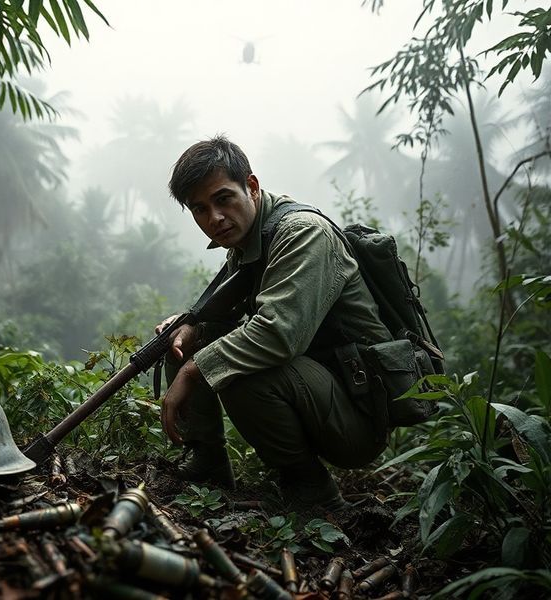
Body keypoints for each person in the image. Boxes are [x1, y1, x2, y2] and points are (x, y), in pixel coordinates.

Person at [157, 135, 393, 512]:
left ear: (251, 187)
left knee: (236, 369)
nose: (214, 218)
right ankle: (208, 462)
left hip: (357, 414)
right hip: (317, 390)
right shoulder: (250, 240)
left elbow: (278, 335)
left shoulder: (301, 233)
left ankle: (312, 490)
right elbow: (226, 321)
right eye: (200, 209)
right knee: (184, 343)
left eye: (223, 199)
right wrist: (192, 331)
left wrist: (192, 372)